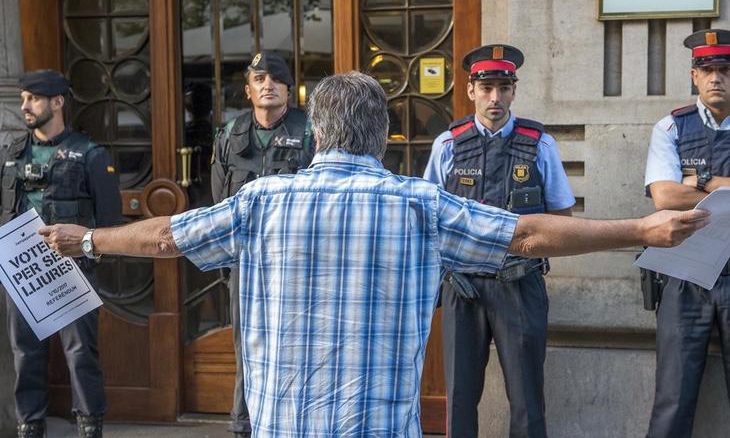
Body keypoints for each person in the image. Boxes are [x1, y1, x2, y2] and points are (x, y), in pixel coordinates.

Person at [39, 71, 708, 438]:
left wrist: (86, 239)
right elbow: (527, 234)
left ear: (318, 134)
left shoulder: (263, 202)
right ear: (384, 135)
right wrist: (640, 231)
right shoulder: (420, 204)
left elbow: (163, 236)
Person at [423, 44, 574, 438]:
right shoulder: (448, 145)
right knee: (459, 397)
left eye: (504, 87)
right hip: (463, 286)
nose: (495, 97)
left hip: (519, 285)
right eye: (487, 87)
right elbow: (427, 217)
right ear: (470, 90)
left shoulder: (538, 143)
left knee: (527, 399)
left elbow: (561, 218)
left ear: (513, 91)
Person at [0, 69, 122, 438]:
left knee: (80, 352)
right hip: (22, 272)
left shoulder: (89, 154)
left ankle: (89, 425)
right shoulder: (11, 153)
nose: (25, 106)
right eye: (22, 98)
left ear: (57, 102)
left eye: (33, 99)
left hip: (72, 270)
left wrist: (93, 253)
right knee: (25, 353)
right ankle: (29, 424)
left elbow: (110, 220)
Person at [210, 51, 314, 438]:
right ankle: (244, 427)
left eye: (275, 79)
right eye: (259, 79)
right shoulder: (230, 134)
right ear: (248, 89)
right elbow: (220, 203)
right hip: (247, 263)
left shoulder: (311, 131)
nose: (267, 85)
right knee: (247, 349)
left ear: (290, 88)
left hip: (299, 264)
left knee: (298, 348)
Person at [644, 29, 730, 438]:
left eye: (725, 70)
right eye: (707, 69)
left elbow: (681, 190)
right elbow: (664, 195)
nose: (717, 78)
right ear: (694, 76)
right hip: (685, 274)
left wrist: (696, 182)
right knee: (673, 399)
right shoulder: (671, 127)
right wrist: (719, 183)